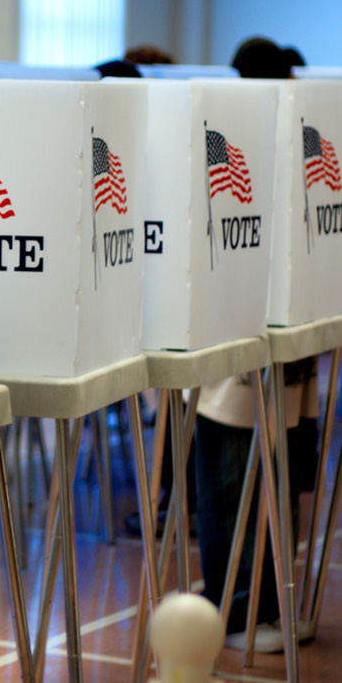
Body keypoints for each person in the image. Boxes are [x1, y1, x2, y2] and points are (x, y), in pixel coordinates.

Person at [193, 36, 319, 653]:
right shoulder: (264, 142)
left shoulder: (251, 142)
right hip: (266, 360)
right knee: (256, 488)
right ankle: (252, 608)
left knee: (246, 487)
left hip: (259, 356)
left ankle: (255, 607)